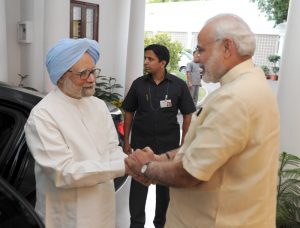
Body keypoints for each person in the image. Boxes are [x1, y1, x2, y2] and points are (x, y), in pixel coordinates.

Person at [125, 14, 280, 228]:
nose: (196, 58)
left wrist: (146, 168)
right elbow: (207, 147)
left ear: (226, 47)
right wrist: (166, 157)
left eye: (201, 50)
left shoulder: (235, 98)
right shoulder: (251, 82)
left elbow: (190, 173)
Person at [24, 38, 129, 228]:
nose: (91, 79)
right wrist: (126, 166)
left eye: (92, 71)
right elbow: (64, 173)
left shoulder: (98, 106)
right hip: (66, 219)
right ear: (61, 76)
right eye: (83, 73)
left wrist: (133, 163)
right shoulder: (43, 116)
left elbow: (112, 149)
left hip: (103, 212)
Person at [122, 44, 195, 228]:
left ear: (163, 62)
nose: (145, 62)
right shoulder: (139, 84)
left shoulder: (178, 85)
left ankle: (161, 224)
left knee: (165, 192)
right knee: (138, 189)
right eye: (145, 58)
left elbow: (188, 113)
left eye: (150, 59)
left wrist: (184, 142)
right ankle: (136, 224)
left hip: (168, 146)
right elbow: (129, 111)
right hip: (141, 145)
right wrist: (126, 141)